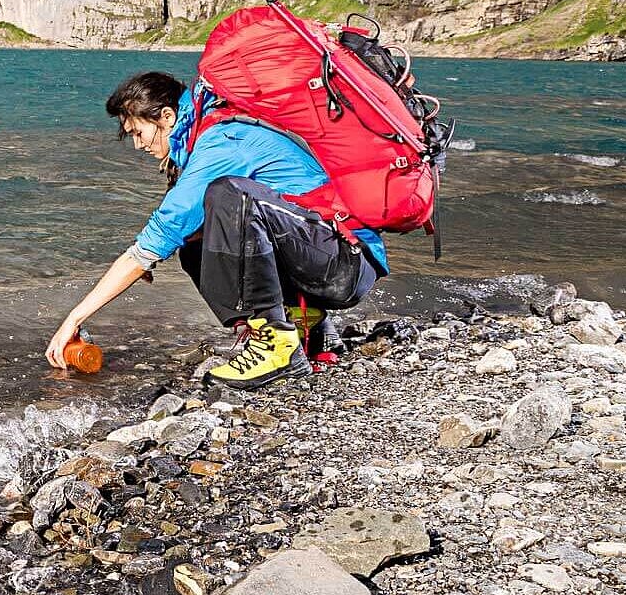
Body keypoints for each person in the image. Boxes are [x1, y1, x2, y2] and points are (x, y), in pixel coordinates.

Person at [44, 71, 388, 388]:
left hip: (344, 264)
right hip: (325, 256)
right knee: (196, 243)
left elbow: (153, 240)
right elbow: (174, 234)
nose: (138, 145)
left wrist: (74, 317)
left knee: (229, 195)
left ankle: (277, 346)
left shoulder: (222, 141)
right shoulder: (209, 134)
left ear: (166, 117)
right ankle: (306, 323)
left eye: (138, 132)